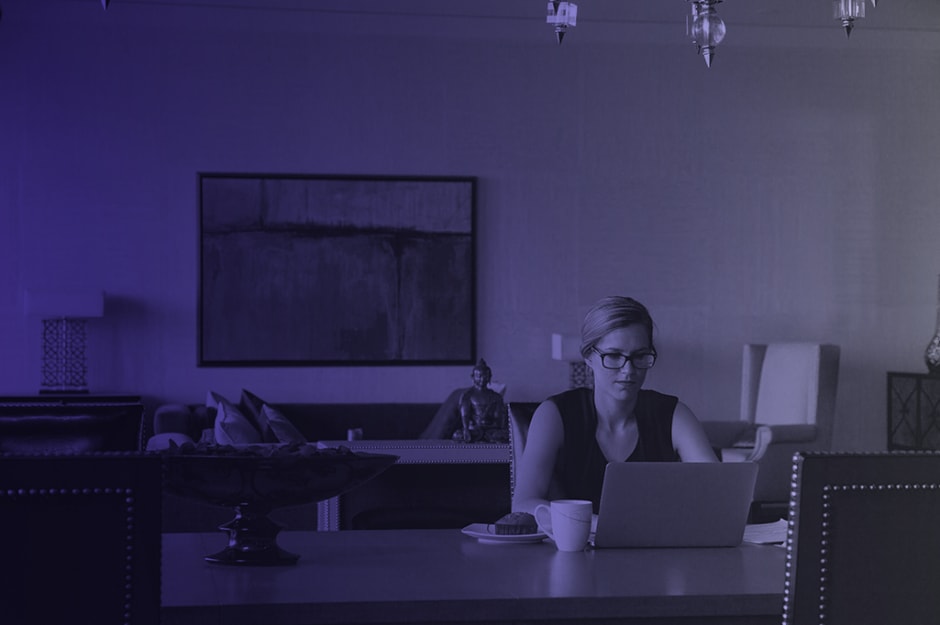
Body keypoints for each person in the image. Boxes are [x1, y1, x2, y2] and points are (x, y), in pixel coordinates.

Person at [512, 296, 717, 516]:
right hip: (574, 548)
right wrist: (592, 524)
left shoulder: (674, 414)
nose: (628, 370)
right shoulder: (555, 414)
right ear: (589, 357)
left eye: (640, 356)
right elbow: (523, 503)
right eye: (613, 356)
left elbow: (719, 489)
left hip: (655, 547)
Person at [454, 358, 509, 443]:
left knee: (506, 435)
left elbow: (499, 419)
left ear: (489, 377)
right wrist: (466, 429)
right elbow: (465, 415)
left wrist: (495, 424)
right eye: (479, 376)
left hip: (491, 430)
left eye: (485, 376)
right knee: (458, 435)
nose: (482, 379)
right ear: (473, 377)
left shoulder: (496, 397)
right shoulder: (468, 395)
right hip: (474, 430)